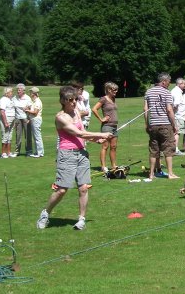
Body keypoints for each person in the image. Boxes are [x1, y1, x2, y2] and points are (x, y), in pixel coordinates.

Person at [36, 86, 113, 231]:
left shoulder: (77, 112)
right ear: (62, 101)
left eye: (75, 99)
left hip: (82, 153)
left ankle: (81, 219)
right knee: (62, 190)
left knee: (83, 188)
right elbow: (78, 133)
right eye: (70, 100)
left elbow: (83, 131)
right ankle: (45, 214)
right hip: (67, 154)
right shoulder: (60, 117)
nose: (73, 102)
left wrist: (96, 140)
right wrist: (101, 135)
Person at [144, 72, 179, 179]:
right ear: (163, 81)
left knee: (154, 149)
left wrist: (147, 124)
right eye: (169, 81)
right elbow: (169, 110)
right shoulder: (166, 92)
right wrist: (174, 124)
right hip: (165, 124)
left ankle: (151, 174)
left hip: (153, 124)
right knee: (168, 148)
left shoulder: (148, 92)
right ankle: (170, 173)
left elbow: (145, 109)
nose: (169, 83)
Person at [91, 82, 119, 173]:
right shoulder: (103, 99)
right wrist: (101, 119)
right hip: (107, 127)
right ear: (109, 90)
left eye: (116, 90)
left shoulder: (113, 99)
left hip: (114, 126)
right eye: (114, 90)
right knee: (105, 146)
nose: (116, 91)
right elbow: (94, 109)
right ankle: (103, 166)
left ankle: (114, 165)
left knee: (114, 146)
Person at [11, 83, 32, 157]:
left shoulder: (27, 98)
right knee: (18, 135)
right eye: (17, 90)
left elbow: (30, 108)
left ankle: (29, 151)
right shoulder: (14, 98)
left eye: (19, 90)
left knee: (28, 135)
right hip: (17, 118)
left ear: (23, 91)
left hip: (26, 118)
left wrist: (27, 109)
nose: (18, 91)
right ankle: (17, 151)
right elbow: (12, 107)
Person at [26, 87, 44, 157]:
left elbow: (35, 112)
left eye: (31, 92)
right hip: (33, 119)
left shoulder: (37, 101)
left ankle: (40, 153)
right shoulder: (33, 101)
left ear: (34, 93)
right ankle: (37, 152)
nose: (30, 93)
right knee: (35, 136)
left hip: (36, 119)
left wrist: (27, 111)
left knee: (37, 136)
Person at [171, 77, 185, 155]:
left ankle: (174, 149)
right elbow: (175, 105)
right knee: (177, 133)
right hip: (178, 116)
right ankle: (175, 150)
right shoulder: (177, 92)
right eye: (184, 83)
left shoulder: (176, 91)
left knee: (176, 133)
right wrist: (173, 115)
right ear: (180, 84)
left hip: (177, 116)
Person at [0, 87, 15, 157]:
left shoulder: (10, 99)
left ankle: (8, 152)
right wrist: (5, 122)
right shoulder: (3, 100)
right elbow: (2, 112)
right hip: (6, 119)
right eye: (11, 92)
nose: (12, 93)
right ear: (6, 93)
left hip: (12, 119)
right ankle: (3, 152)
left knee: (9, 136)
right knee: (5, 135)